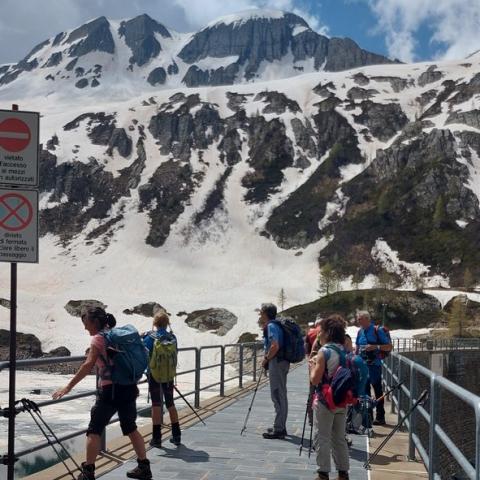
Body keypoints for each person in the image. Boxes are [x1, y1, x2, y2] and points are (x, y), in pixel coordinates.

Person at [53, 307, 152, 480]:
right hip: (128, 388)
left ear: (95, 322)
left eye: (86, 323)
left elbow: (87, 365)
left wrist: (67, 387)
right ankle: (144, 467)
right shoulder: (115, 335)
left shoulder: (99, 339)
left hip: (110, 392)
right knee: (131, 428)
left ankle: (88, 472)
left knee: (94, 430)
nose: (85, 328)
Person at [310, 315, 350, 480]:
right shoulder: (344, 350)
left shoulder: (324, 351)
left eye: (322, 331)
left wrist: (312, 366)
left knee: (323, 436)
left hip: (326, 400)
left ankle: (323, 473)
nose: (320, 334)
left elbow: (315, 379)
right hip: (342, 400)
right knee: (339, 438)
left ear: (327, 333)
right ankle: (343, 473)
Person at [142, 312, 181, 448]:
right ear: (167, 323)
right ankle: (176, 435)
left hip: (154, 375)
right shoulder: (172, 337)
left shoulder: (149, 338)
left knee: (156, 405)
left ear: (154, 323)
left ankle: (157, 438)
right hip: (169, 376)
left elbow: (144, 354)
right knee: (170, 404)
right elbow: (176, 353)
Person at [355, 311, 392, 426]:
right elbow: (357, 348)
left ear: (367, 319)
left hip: (374, 366)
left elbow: (389, 347)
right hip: (362, 366)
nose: (358, 321)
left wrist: (375, 346)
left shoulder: (377, 330)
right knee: (364, 392)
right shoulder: (360, 332)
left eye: (360, 319)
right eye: (358, 319)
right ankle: (368, 417)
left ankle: (380, 417)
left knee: (377, 391)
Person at [258, 303, 290, 439]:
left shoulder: (271, 326)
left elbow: (274, 345)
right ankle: (280, 425)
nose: (260, 314)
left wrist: (266, 359)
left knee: (277, 394)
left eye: (261, 312)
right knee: (281, 393)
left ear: (265, 313)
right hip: (282, 362)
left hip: (276, 362)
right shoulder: (277, 325)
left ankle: (279, 429)